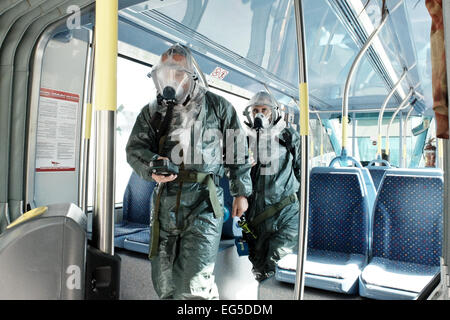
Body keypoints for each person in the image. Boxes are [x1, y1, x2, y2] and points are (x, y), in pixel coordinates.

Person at [126, 43, 252, 299]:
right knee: (164, 283)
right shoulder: (152, 112)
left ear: (192, 74)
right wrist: (152, 165)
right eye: (165, 73)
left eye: (178, 72)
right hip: (164, 204)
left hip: (204, 204)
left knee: (194, 285)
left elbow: (237, 151)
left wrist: (241, 192)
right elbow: (135, 148)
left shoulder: (218, 108)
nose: (171, 79)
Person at [238, 91, 301, 282]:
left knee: (275, 271)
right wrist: (242, 165)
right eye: (256, 110)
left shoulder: (289, 136)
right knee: (256, 272)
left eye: (264, 110)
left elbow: (301, 171)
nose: (259, 114)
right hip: (254, 221)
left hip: (285, 216)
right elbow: (233, 175)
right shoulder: (243, 140)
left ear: (273, 112)